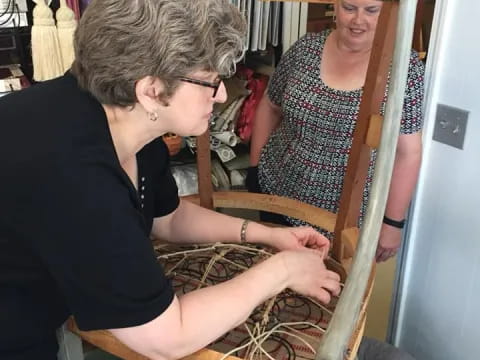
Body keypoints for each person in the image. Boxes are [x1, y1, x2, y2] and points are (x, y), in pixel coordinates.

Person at [0, 1, 342, 360]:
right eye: (210, 82)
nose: (223, 94)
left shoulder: (127, 119)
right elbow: (166, 338)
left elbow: (169, 216)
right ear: (150, 90)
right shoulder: (77, 176)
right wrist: (282, 270)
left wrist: (266, 234)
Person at [248, 0, 424, 263]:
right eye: (350, 8)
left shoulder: (404, 69)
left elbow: (408, 152)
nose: (358, 20)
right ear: (336, 6)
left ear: (388, 12)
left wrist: (392, 224)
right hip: (278, 191)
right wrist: (255, 168)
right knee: (272, 280)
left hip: (344, 214)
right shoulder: (306, 48)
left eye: (371, 10)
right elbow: (270, 106)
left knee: (324, 291)